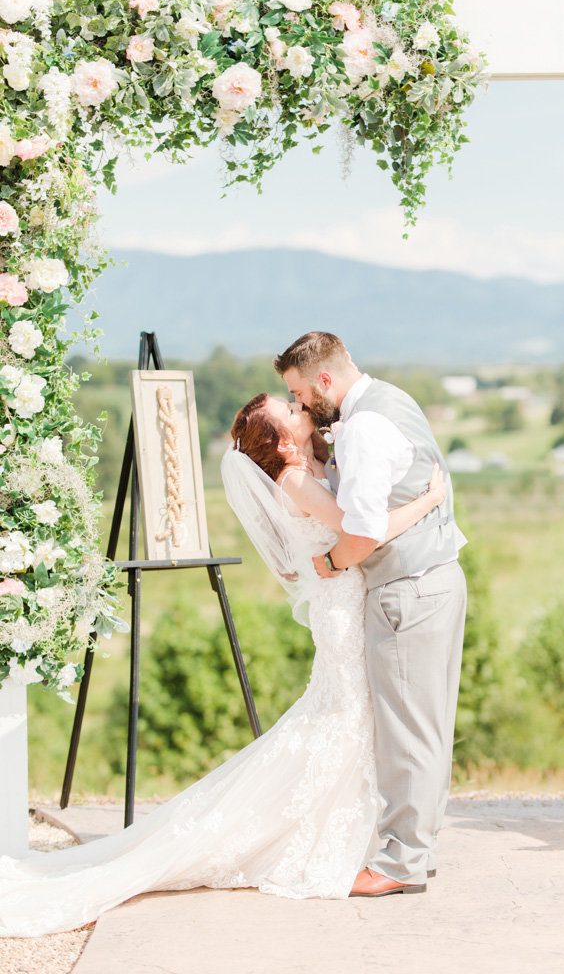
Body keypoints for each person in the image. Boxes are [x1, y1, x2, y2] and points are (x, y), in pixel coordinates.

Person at [0, 391, 446, 937]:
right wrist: (428, 502)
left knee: (343, 719)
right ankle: (310, 836)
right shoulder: (295, 481)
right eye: (293, 410)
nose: (302, 410)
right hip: (343, 607)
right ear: (283, 440)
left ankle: (360, 836)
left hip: (343, 598)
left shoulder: (307, 467)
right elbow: (362, 527)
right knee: (344, 718)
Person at [274, 332, 468, 898]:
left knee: (406, 732)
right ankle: (417, 852)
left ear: (325, 380)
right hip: (439, 578)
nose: (302, 404)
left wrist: (332, 562)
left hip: (405, 590)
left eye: (300, 393)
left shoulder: (361, 429)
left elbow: (362, 531)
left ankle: (400, 863)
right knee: (427, 728)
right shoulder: (394, 400)